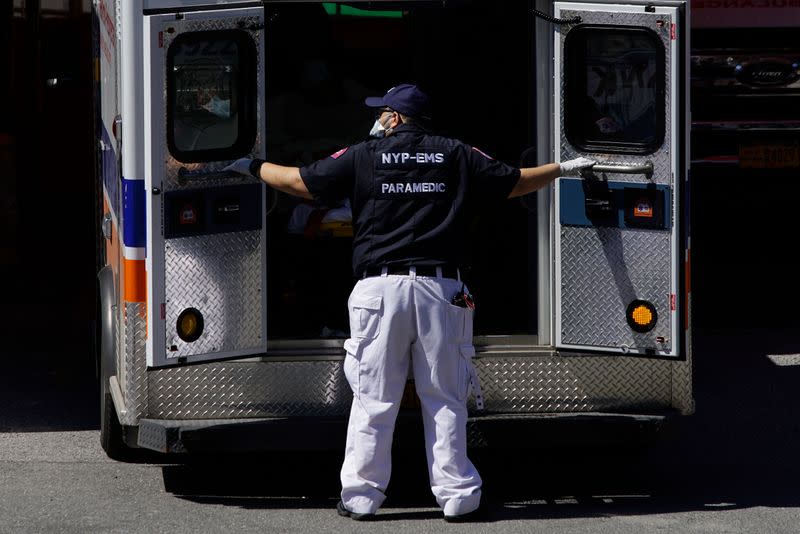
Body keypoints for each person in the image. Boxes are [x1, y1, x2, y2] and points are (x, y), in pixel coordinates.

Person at [225, 84, 594, 522]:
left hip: (379, 292)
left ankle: (361, 497)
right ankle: (458, 497)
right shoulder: (455, 153)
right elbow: (515, 182)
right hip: (443, 292)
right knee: (445, 397)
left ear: (395, 118)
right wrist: (561, 168)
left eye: (382, 112)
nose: (378, 117)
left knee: (373, 399)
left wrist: (252, 165)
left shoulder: (363, 155)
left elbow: (299, 182)